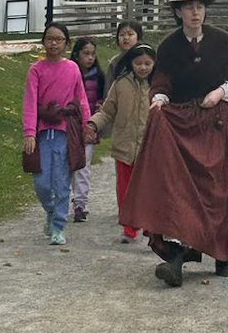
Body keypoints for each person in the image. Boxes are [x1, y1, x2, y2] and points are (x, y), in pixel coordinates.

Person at [119, 0, 228, 287]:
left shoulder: (222, 41)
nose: (195, 12)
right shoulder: (169, 46)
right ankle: (177, 253)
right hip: (183, 126)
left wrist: (220, 92)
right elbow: (162, 83)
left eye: (200, 6)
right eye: (189, 7)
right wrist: (158, 100)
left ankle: (223, 254)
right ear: (178, 12)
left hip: (216, 125)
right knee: (181, 191)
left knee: (218, 190)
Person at [22, 23, 90, 247]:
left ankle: (59, 226)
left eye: (59, 39)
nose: (53, 43)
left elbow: (80, 98)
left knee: (61, 182)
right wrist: (29, 132)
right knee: (41, 182)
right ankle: (50, 210)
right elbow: (31, 102)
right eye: (50, 39)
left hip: (64, 132)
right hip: (42, 133)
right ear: (43, 41)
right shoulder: (36, 69)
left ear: (66, 43)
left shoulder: (72, 68)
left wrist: (87, 125)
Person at [84, 43, 157, 242]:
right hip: (124, 146)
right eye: (138, 63)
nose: (143, 67)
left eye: (148, 63)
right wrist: (93, 124)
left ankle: (151, 227)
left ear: (154, 64)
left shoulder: (159, 87)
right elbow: (107, 111)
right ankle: (129, 228)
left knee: (149, 189)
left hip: (150, 149)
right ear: (131, 63)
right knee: (125, 189)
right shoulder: (121, 84)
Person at [69, 36, 105, 223]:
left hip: (89, 126)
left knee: (83, 165)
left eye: (93, 54)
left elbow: (102, 99)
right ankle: (64, 200)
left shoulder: (98, 76)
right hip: (69, 126)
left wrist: (96, 115)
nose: (90, 58)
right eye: (86, 54)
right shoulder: (69, 72)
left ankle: (80, 204)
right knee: (68, 165)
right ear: (76, 55)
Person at [104, 20, 143, 93]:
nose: (126, 38)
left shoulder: (146, 59)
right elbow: (108, 89)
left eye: (130, 34)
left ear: (138, 38)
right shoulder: (115, 62)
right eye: (122, 35)